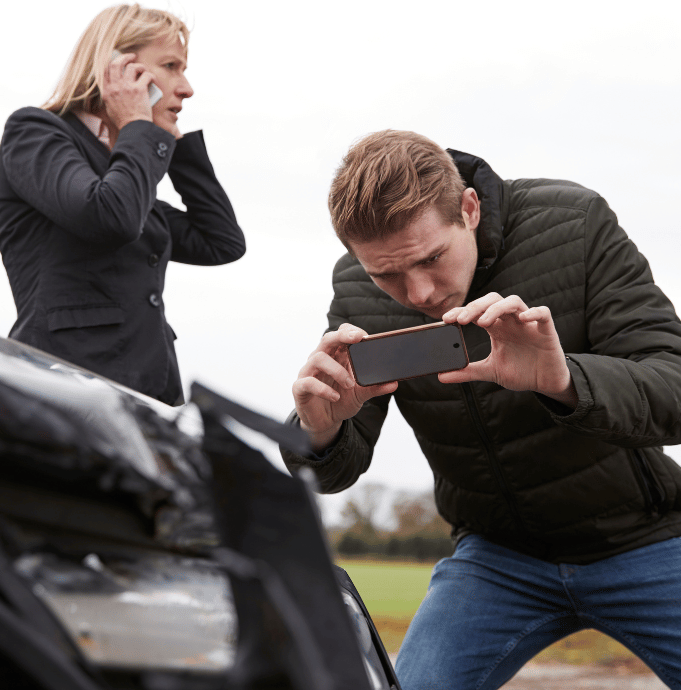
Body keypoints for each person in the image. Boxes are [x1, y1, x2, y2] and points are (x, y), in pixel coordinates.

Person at [281, 130, 681, 688]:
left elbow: (675, 387)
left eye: (430, 259)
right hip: (496, 560)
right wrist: (318, 431)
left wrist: (565, 380)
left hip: (642, 539)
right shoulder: (356, 289)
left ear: (468, 208)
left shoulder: (576, 223)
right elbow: (333, 470)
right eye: (386, 274)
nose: (417, 292)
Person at [0, 4, 245, 406]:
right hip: (65, 389)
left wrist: (174, 148)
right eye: (171, 65)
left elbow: (221, 242)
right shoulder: (35, 132)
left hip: (152, 393)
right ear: (117, 67)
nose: (186, 87)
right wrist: (138, 128)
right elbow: (110, 218)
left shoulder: (127, 169)